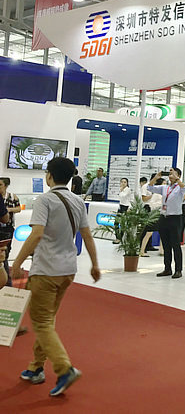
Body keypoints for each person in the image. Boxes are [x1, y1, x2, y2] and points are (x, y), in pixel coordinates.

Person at [11, 157, 101, 397]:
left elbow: (36, 234)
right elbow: (87, 235)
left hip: (45, 270)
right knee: (47, 321)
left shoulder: (45, 200)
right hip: (67, 270)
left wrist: (17, 262)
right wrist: (95, 264)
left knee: (41, 322)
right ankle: (35, 367)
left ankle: (64, 369)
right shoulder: (77, 201)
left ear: (49, 175)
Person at [147, 168, 185, 279]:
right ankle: (167, 268)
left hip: (175, 218)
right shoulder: (165, 187)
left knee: (175, 245)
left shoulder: (180, 188)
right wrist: (156, 177)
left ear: (178, 176)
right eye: (169, 174)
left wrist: (177, 178)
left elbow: (184, 188)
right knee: (166, 244)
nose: (170, 175)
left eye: (173, 173)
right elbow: (150, 187)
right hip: (164, 217)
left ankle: (178, 270)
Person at [0, 177, 21, 286]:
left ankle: (7, 282)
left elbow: (18, 208)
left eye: (0, 185)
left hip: (7, 229)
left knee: (5, 254)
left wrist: (8, 210)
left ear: (6, 186)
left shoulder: (12, 197)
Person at [139, 177, 162, 256]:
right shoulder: (154, 193)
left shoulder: (161, 193)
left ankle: (161, 250)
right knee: (148, 232)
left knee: (161, 232)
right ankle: (142, 250)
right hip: (153, 213)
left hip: (160, 213)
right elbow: (151, 203)